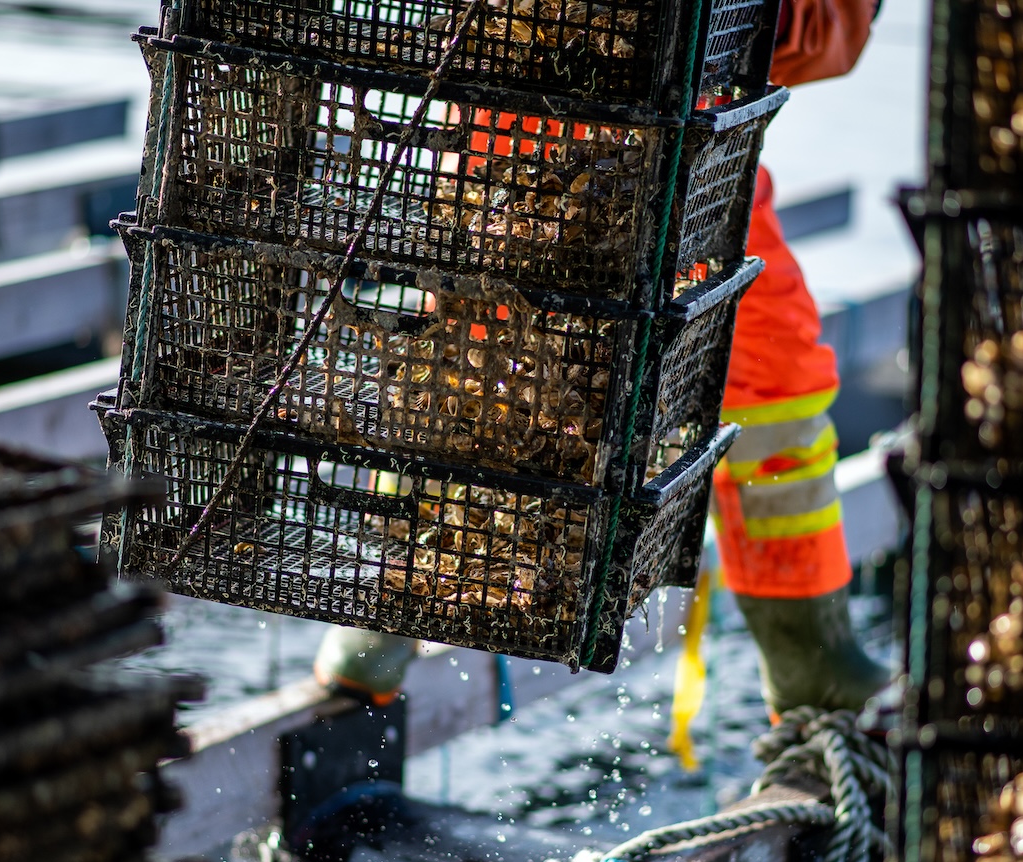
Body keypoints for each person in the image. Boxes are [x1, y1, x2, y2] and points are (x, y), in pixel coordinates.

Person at [314, 0, 891, 717]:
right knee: (468, 371)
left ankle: (812, 655)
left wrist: (747, 22)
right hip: (515, 155)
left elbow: (829, 38)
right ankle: (386, 608)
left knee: (772, 378)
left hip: (692, 159)